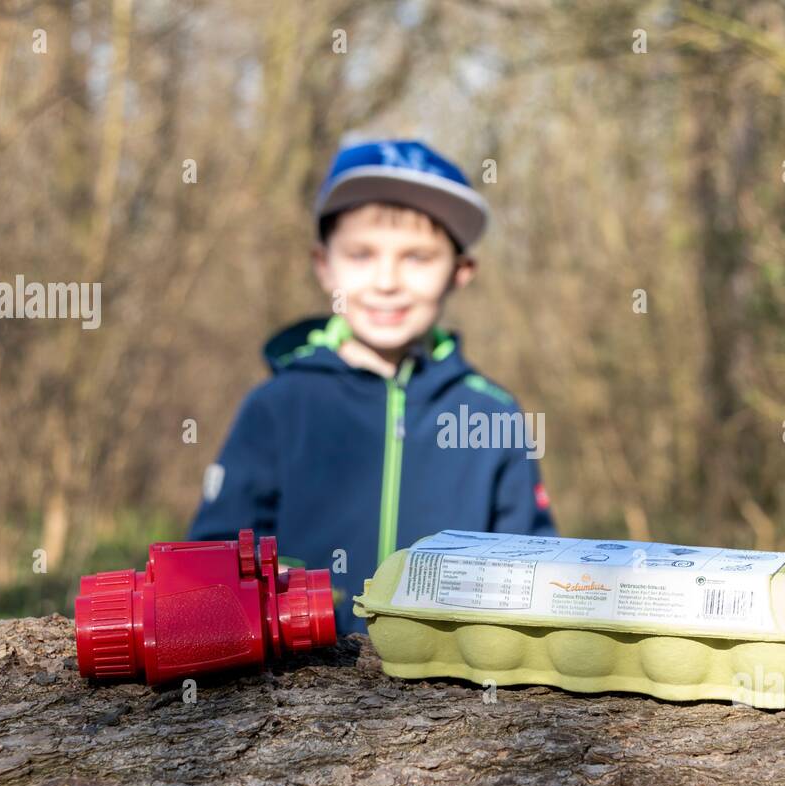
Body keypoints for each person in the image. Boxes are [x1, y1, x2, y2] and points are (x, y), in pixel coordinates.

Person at [188, 138, 556, 634]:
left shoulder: (492, 416)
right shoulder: (278, 406)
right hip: (294, 698)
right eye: (361, 254)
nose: (386, 281)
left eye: (418, 258)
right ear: (324, 265)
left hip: (453, 703)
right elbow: (211, 568)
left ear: (460, 272)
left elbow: (531, 571)